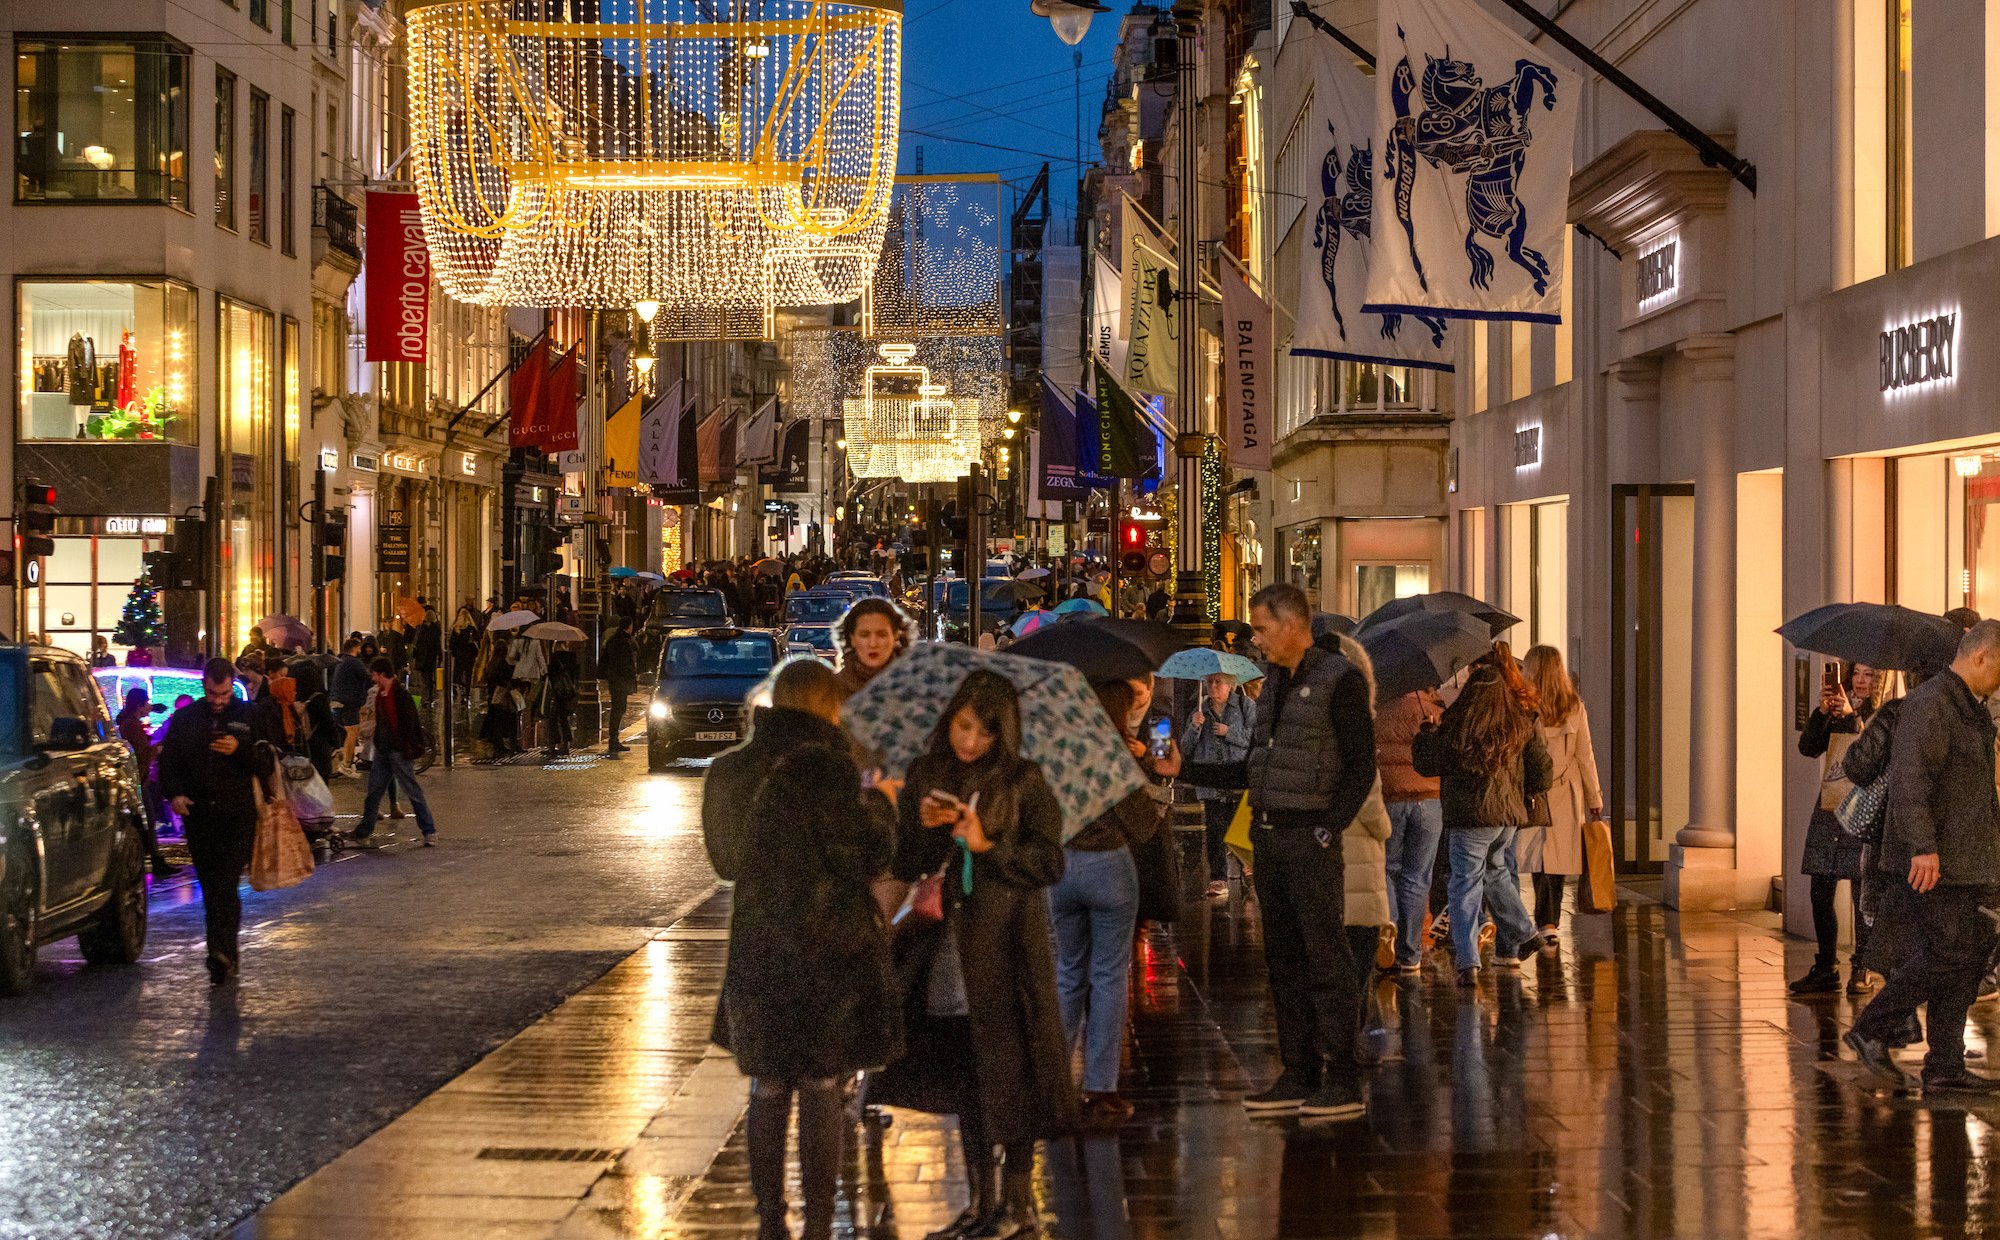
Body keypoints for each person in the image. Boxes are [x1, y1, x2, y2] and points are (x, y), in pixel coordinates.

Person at [867, 671, 1075, 1240]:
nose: (970, 741)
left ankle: (1017, 1201)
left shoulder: (1023, 781)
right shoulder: (931, 775)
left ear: (1001, 733)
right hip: (948, 947)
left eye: (984, 732)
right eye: (963, 726)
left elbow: (1048, 862)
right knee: (967, 1072)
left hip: (1008, 945)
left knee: (1013, 1069)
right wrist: (919, 820)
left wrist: (987, 846)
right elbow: (909, 858)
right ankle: (981, 1202)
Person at [703, 659, 901, 1240]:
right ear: (826, 706)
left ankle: (771, 1221)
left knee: (768, 1084)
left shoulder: (729, 770)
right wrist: (883, 802)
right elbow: (867, 854)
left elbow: (726, 862)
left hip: (761, 946)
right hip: (829, 947)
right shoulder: (835, 770)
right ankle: (818, 1222)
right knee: (819, 1084)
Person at [1178, 583, 1378, 1120]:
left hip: (1308, 834)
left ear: (1292, 625)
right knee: (1284, 957)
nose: (1255, 640)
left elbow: (1362, 764)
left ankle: (1342, 1075)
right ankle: (1298, 1069)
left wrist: (1327, 827)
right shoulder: (1275, 686)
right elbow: (1253, 770)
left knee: (1325, 957)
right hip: (1270, 834)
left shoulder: (1339, 680)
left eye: (1261, 629)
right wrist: (1185, 770)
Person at [1847, 621, 2000, 1095]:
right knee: (1949, 952)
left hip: (1969, 857)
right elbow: (1912, 781)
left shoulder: (1970, 708)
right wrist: (1923, 848)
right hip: (1938, 860)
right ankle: (1875, 1025)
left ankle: (1945, 1065)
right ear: (1981, 657)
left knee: (1969, 956)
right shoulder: (1933, 703)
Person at [1050, 678, 1169, 1128]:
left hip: (1062, 868)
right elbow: (1140, 822)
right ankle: (1100, 1088)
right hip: (1108, 869)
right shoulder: (1119, 750)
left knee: (1067, 974)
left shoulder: (1055, 748)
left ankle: (1055, 1080)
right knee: (1108, 976)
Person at [1412, 666, 1551, 988]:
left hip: (1471, 816)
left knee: (1464, 885)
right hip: (1506, 817)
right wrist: (1524, 790)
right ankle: (1525, 932)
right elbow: (1542, 770)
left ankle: (1468, 961)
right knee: (1496, 870)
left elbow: (1427, 764)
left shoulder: (1459, 724)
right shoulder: (1519, 723)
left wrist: (1426, 735)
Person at [156, 658, 265, 984]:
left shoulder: (248, 716)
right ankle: (221, 952)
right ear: (203, 687)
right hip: (200, 814)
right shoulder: (187, 719)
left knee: (226, 883)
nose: (217, 700)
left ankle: (222, 951)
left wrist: (239, 750)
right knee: (209, 884)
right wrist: (174, 794)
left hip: (237, 813)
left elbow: (268, 760)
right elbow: (170, 760)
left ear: (231, 685)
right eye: (211, 693)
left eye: (222, 693)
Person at [1789, 662, 1881, 996]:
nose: (1860, 680)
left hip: (1865, 809)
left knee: (1861, 893)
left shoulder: (1884, 713)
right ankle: (1826, 965)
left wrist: (1850, 719)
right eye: (1856, 673)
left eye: (1868, 674)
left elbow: (1870, 754)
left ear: (1878, 681)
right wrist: (1821, 711)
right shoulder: (1835, 709)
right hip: (1831, 805)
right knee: (1820, 887)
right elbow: (1808, 747)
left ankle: (1863, 967)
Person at [1518, 646, 1604, 946]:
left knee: (1535, 856)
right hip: (1566, 789)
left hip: (1531, 788)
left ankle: (1540, 920)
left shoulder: (1523, 705)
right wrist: (1595, 798)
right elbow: (1585, 755)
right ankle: (1549, 922)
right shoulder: (1574, 706)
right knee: (1557, 857)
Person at [1375, 684, 1443, 973]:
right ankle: (1410, 954)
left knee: (1387, 868)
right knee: (1417, 878)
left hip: (1390, 798)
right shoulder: (1434, 711)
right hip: (1429, 801)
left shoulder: (1378, 710)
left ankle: (1389, 922)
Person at [351, 657, 438, 846]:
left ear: (382, 674)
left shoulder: (400, 695)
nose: (372, 678)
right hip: (384, 750)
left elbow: (409, 723)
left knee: (412, 790)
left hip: (398, 751)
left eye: (374, 674)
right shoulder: (381, 694)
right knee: (374, 791)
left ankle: (429, 830)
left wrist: (399, 743)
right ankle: (363, 832)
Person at [1182, 672, 1252, 898]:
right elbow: (1186, 749)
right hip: (1211, 782)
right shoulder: (1199, 711)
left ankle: (1248, 868)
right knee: (1215, 831)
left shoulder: (1244, 705)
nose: (1212, 686)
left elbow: (1255, 738)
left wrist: (1229, 732)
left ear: (1229, 685)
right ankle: (1218, 878)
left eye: (1218, 682)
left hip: (1238, 778)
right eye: (1209, 682)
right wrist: (1195, 727)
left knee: (1241, 829)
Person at [114, 687, 178, 878]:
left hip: (139, 780)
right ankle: (155, 862)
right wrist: (159, 747)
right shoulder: (132, 726)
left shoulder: (129, 723)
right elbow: (142, 754)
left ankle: (154, 860)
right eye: (147, 702)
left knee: (148, 820)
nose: (150, 705)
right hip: (139, 781)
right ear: (140, 706)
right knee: (148, 820)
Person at [832, 597, 915, 699]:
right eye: (864, 635)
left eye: (882, 635)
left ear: (896, 636)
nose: (873, 644)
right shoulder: (832, 689)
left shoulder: (916, 687)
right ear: (852, 639)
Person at [330, 638, 370, 775]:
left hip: (337, 699)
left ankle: (349, 760)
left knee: (349, 731)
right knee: (352, 731)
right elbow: (368, 678)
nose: (360, 651)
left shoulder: (340, 661)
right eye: (359, 648)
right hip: (349, 702)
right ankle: (346, 764)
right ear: (354, 649)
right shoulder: (354, 662)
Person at [601, 618, 638, 755]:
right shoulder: (623, 641)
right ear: (629, 626)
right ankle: (613, 740)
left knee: (618, 709)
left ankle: (614, 740)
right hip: (620, 681)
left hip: (616, 680)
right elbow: (624, 663)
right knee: (618, 710)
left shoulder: (615, 640)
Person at [540, 642, 579, 758]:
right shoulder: (572, 658)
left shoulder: (554, 659)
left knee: (552, 720)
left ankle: (552, 747)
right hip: (567, 694)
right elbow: (574, 676)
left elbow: (550, 676)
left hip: (556, 693)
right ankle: (565, 746)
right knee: (563, 720)